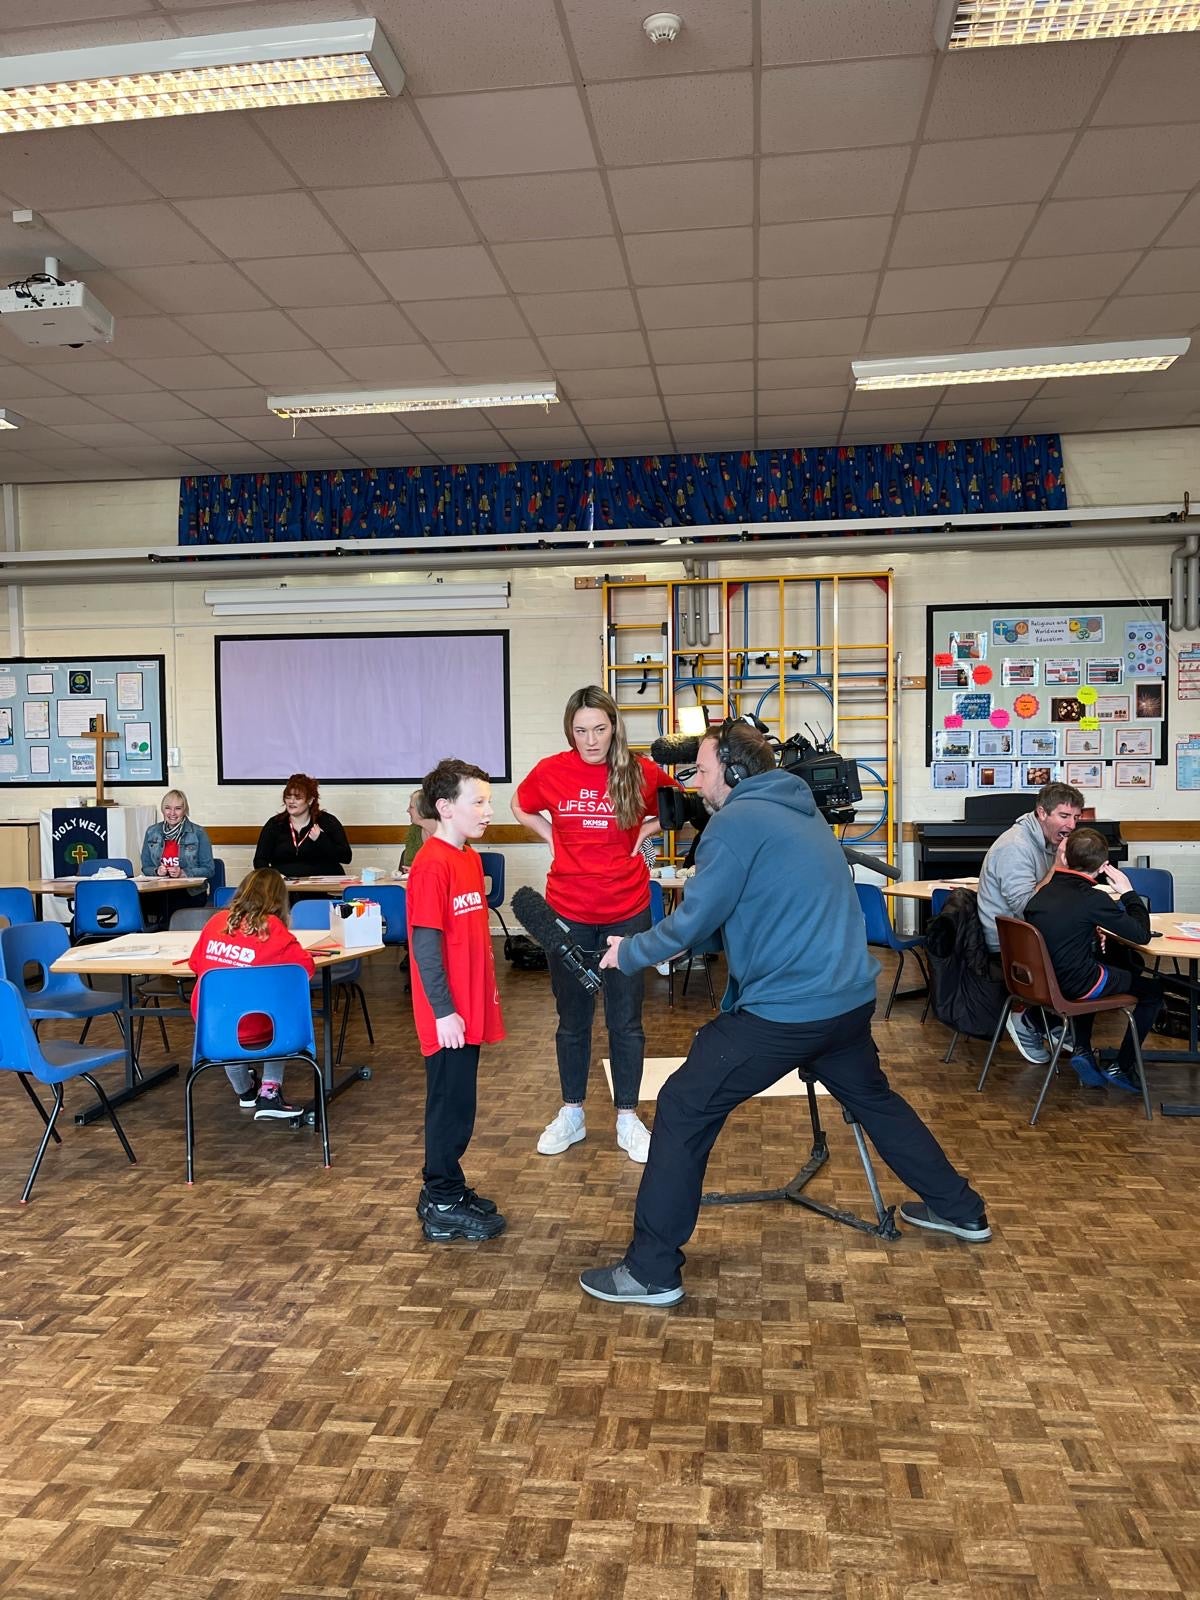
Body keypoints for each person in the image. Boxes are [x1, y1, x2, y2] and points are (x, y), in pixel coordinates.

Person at [579, 720, 989, 1308]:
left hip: (788, 1012)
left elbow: (694, 922)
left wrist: (630, 951)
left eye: (703, 767)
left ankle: (650, 1271)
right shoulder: (802, 812)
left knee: (682, 1105)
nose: (696, 781)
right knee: (875, 1100)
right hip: (845, 1004)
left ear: (736, 771)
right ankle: (960, 1209)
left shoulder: (737, 824)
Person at [512, 685, 679, 1164]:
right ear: (571, 731)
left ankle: (628, 1116)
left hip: (626, 910)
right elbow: (519, 806)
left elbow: (679, 805)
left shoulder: (636, 769)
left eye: (600, 729)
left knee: (626, 1020)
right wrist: (550, 836)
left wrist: (644, 833)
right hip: (567, 911)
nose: (591, 740)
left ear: (614, 727)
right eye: (581, 731)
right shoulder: (551, 770)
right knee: (572, 1021)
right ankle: (572, 1113)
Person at [407, 758, 506, 1244]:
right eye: (479, 802)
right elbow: (425, 948)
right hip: (448, 1015)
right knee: (449, 1106)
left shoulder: (468, 857)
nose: (489, 810)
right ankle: (442, 1197)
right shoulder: (431, 865)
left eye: (488, 801)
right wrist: (444, 1011)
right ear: (446, 808)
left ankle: (446, 1186)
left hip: (469, 1009)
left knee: (461, 1102)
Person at [1023, 827, 1161, 1093]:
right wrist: (1128, 892)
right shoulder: (1093, 898)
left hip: (1044, 982)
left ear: (1065, 858)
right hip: (1076, 984)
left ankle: (1082, 1049)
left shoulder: (1044, 892)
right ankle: (1123, 1065)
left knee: (1107, 962)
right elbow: (1141, 934)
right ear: (1102, 866)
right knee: (1153, 992)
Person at [187, 867, 316, 1121]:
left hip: (213, 1031)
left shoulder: (215, 923)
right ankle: (269, 1093)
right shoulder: (274, 929)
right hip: (263, 1029)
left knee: (227, 1016)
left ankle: (245, 1091)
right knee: (281, 1006)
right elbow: (305, 970)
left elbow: (195, 965)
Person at [976, 781, 1084, 1065]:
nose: (1072, 825)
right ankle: (1025, 1017)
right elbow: (1028, 907)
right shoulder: (1016, 847)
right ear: (1042, 813)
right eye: (1064, 816)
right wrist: (1058, 869)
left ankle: (1053, 1019)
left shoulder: (1049, 841)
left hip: (1034, 933)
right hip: (1010, 944)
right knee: (1082, 958)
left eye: (1076, 817)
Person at [253, 773, 352, 879]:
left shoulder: (327, 822)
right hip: (284, 887)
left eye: (297, 798)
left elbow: (346, 857)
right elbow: (259, 860)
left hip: (322, 885)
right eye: (288, 797)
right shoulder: (275, 824)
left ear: (310, 800)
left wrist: (321, 839)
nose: (291, 801)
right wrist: (275, 878)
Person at [140, 789, 215, 920]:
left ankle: (168, 933)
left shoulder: (198, 833)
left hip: (190, 892)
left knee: (172, 904)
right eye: (168, 808)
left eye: (178, 808)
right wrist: (157, 871)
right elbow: (145, 867)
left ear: (185, 810)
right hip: (159, 891)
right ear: (163, 810)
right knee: (141, 902)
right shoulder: (152, 832)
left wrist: (183, 873)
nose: (172, 813)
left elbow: (209, 869)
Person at [401, 789, 439, 869]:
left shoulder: (450, 831)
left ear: (423, 809)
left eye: (411, 807)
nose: (407, 810)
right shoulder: (414, 829)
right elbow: (408, 863)